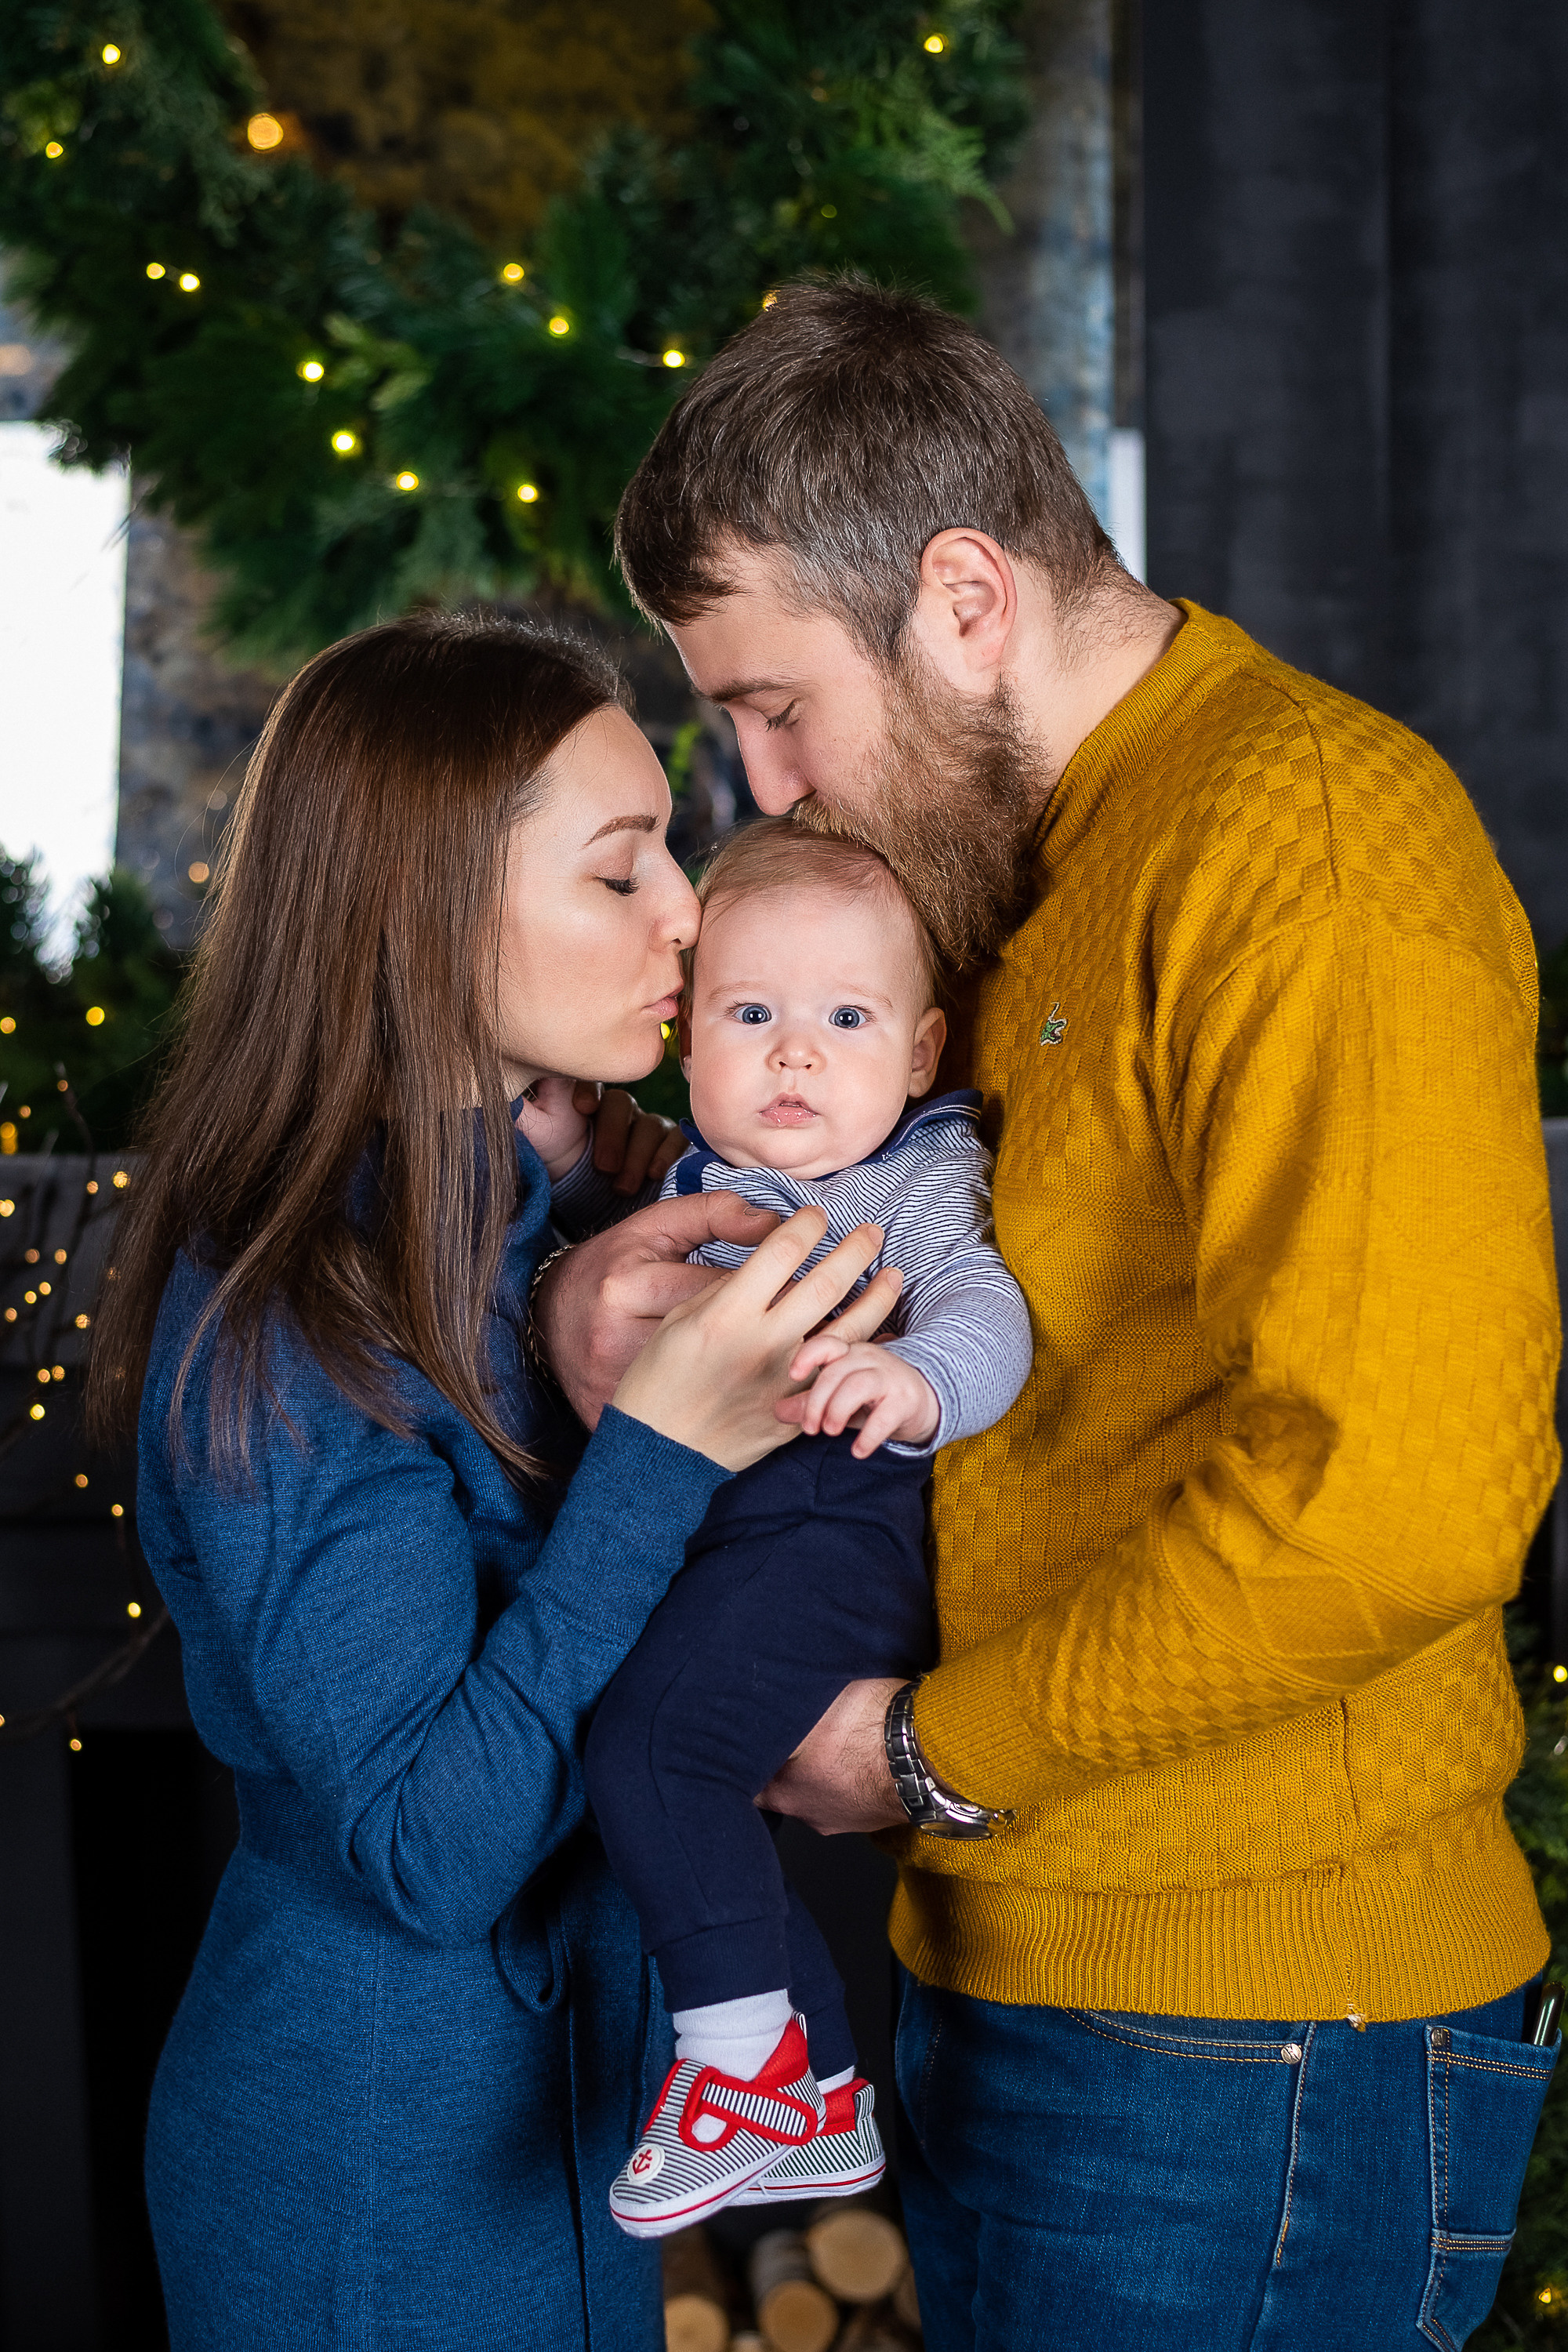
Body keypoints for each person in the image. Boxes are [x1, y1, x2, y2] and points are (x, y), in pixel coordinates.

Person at [535, 281, 1563, 2349]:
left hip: (1254, 2034)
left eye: (777, 707)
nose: (762, 792)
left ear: (964, 598)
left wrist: (933, 1752)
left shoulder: (1309, 844)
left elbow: (1401, 1499)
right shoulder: (1002, 862)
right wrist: (597, 1294)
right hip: (1028, 1976)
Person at [85, 611, 903, 2352]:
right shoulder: (275, 1314)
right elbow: (429, 1848)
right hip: (389, 2199)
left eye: (674, 853)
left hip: (697, 2135)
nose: (688, 912)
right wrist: (661, 1453)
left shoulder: (602, 1220)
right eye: (621, 871)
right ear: (425, 912)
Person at [526, 818, 1030, 2236]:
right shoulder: (702, 1169)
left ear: (920, 1055)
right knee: (670, 1767)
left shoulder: (906, 1182)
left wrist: (920, 1383)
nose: (796, 1054)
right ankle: (812, 2091)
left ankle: (747, 2074)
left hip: (832, 1528)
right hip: (734, 1534)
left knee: (650, 1752)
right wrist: (565, 1176)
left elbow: (990, 1307)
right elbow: (644, 1246)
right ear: (689, 1042)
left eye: (845, 1020)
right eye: (753, 1015)